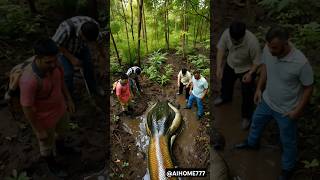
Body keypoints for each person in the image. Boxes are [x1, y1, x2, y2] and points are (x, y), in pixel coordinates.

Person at [235, 26, 314, 180]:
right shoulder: (268, 49)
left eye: (275, 48)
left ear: (286, 43)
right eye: (269, 46)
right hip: (267, 100)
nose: (271, 51)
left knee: (288, 141)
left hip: (287, 109)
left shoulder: (300, 63)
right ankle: (252, 143)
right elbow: (265, 68)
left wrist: (297, 110)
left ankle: (288, 168)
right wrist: (259, 89)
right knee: (256, 123)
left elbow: (308, 87)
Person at [19, 39, 77, 177]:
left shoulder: (56, 65)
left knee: (63, 132)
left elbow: (61, 81)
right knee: (46, 144)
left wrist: (68, 99)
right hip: (44, 118)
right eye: (48, 62)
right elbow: (27, 107)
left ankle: (62, 149)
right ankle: (52, 165)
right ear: (38, 58)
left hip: (60, 108)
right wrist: (38, 130)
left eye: (54, 60)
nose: (53, 65)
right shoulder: (29, 80)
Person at [214, 20, 261, 130]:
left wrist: (250, 73)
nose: (234, 42)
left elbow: (257, 61)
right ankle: (225, 97)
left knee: (247, 92)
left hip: (246, 68)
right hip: (231, 64)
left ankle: (247, 116)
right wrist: (219, 67)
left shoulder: (252, 42)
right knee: (226, 82)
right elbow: (220, 50)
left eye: (237, 41)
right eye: (232, 40)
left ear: (243, 36)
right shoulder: (226, 34)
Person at [52, 16, 106, 97]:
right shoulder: (66, 29)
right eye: (86, 40)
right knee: (68, 74)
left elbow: (99, 43)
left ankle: (93, 88)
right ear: (81, 33)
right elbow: (55, 44)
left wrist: (102, 57)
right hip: (64, 50)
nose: (89, 43)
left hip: (81, 48)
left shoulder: (94, 28)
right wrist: (72, 58)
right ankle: (69, 95)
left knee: (89, 67)